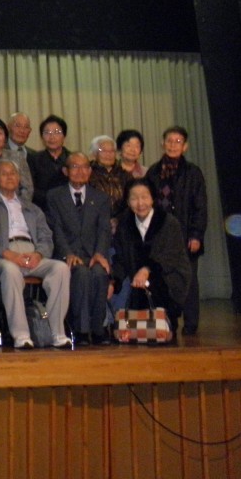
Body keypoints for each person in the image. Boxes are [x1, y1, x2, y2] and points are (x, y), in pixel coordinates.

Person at [0, 159, 71, 349]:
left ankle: (57, 333)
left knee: (61, 268)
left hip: (32, 253)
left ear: (19, 178)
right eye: (4, 174)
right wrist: (10, 255)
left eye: (13, 173)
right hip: (3, 255)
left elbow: (47, 237)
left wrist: (39, 254)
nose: (9, 177)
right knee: (11, 272)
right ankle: (21, 335)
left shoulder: (32, 208)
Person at [45, 152, 112, 345]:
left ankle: (98, 329)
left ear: (90, 171)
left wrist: (100, 253)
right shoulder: (54, 196)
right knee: (81, 274)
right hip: (68, 253)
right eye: (75, 167)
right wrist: (68, 253)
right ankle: (81, 330)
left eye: (84, 167)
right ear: (66, 171)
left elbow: (104, 229)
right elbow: (55, 228)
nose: (80, 171)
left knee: (100, 273)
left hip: (93, 253)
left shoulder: (100, 198)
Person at [146, 126, 207, 335]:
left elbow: (200, 206)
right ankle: (168, 320)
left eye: (178, 141)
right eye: (169, 141)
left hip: (186, 235)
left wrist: (196, 234)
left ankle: (191, 323)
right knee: (163, 278)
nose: (173, 145)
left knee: (188, 279)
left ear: (185, 146)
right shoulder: (153, 172)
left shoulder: (193, 172)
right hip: (160, 236)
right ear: (162, 143)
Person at [111, 178, 192, 329]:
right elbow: (121, 258)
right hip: (136, 280)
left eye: (144, 197)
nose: (140, 203)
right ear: (128, 202)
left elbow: (172, 256)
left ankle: (165, 322)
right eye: (134, 198)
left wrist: (147, 269)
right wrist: (113, 281)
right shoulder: (124, 224)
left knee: (156, 288)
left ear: (153, 198)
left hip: (168, 276)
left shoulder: (168, 222)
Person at [29, 114, 71, 209]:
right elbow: (30, 189)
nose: (52, 137)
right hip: (42, 209)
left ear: (64, 136)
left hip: (69, 209)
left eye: (57, 132)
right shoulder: (33, 159)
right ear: (42, 137)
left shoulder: (72, 159)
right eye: (47, 132)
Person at [88, 134, 131, 221]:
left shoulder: (125, 175)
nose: (108, 154)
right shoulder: (87, 174)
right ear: (94, 153)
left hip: (122, 222)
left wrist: (118, 219)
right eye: (103, 150)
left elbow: (131, 200)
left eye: (112, 151)